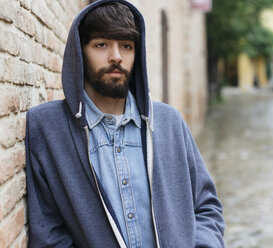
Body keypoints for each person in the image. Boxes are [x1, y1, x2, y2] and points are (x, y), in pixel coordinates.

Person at [25, 0, 225, 247]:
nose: (116, 56)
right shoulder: (47, 128)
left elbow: (206, 206)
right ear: (80, 51)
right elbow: (48, 232)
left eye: (126, 46)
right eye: (101, 44)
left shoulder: (169, 123)